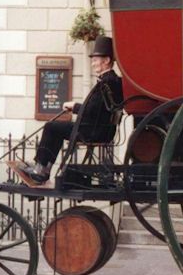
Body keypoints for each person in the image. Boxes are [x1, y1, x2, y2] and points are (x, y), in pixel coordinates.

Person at [19, 36, 123, 183]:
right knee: (56, 128)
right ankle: (43, 168)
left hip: (93, 130)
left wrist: (74, 106)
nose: (92, 64)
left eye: (95, 60)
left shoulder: (107, 82)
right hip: (98, 129)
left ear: (106, 60)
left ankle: (41, 168)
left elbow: (93, 110)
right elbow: (96, 109)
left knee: (51, 126)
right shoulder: (110, 81)